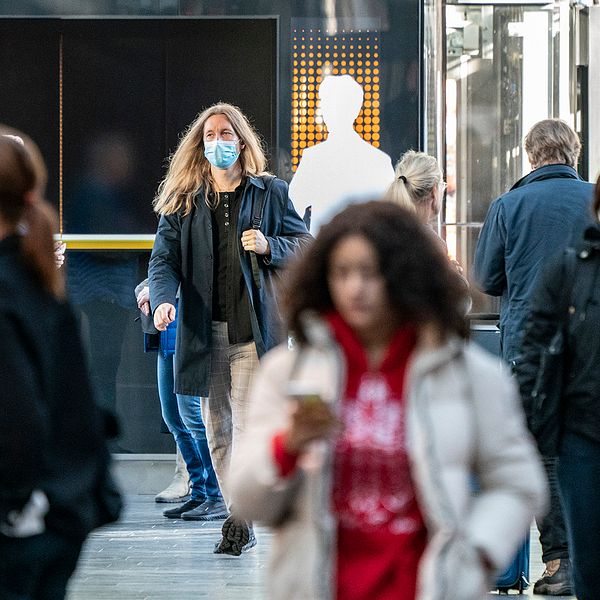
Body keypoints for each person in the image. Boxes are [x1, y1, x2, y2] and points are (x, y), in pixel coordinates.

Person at [229, 201, 546, 600]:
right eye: (341, 273)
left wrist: (476, 555)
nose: (354, 288)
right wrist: (286, 446)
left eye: (371, 272)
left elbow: (518, 482)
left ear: (404, 276)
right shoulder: (289, 372)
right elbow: (245, 499)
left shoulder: (466, 373)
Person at [148, 102, 311, 555]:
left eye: (225, 134)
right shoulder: (185, 200)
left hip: (252, 333)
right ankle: (239, 510)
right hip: (205, 333)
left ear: (240, 140)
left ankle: (241, 519)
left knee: (247, 425)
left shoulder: (268, 192)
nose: (217, 143)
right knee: (216, 431)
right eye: (209, 135)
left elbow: (304, 245)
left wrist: (269, 245)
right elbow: (163, 260)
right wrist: (163, 301)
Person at [473, 118, 593, 595]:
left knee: (540, 453)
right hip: (591, 343)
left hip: (530, 347)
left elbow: (487, 280)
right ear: (574, 153)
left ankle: (559, 562)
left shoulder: (508, 206)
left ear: (530, 157)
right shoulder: (594, 200)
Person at [0, 131, 121, 599]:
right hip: (60, 511)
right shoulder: (43, 287)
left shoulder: (13, 289)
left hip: (22, 525)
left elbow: (19, 414)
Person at [515, 174, 600, 600]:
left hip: (579, 428)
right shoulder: (572, 267)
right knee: (590, 563)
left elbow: (492, 276)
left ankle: (560, 561)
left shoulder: (569, 267)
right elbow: (536, 349)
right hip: (582, 432)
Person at [135, 281, 226, 518]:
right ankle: (198, 493)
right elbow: (157, 269)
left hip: (190, 323)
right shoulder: (169, 242)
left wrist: (156, 291)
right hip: (166, 327)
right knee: (173, 417)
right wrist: (144, 292)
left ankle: (216, 494)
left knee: (193, 416)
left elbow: (201, 278)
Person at [288, 74, 395, 233]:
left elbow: (291, 213)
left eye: (327, 104)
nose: (323, 111)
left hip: (325, 251)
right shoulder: (380, 160)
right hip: (369, 250)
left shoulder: (315, 158)